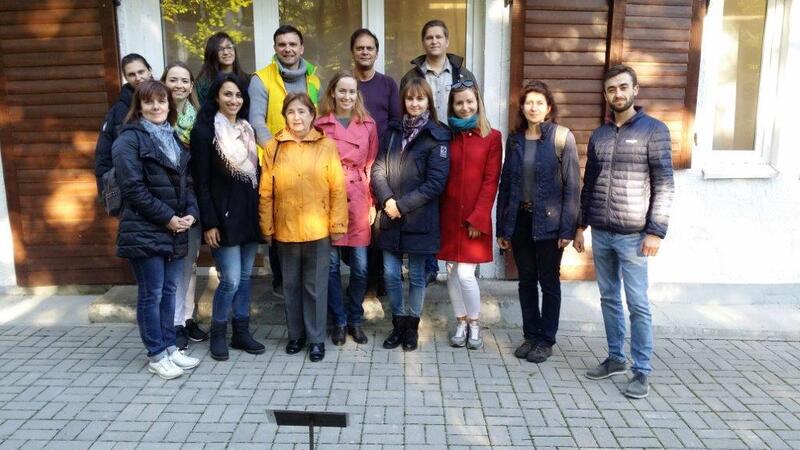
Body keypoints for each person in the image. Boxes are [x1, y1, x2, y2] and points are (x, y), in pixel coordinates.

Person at [574, 65, 674, 399]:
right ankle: (615, 358)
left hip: (634, 235)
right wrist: (580, 225)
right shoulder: (600, 135)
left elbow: (664, 184)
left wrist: (656, 231)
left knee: (638, 303)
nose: (617, 94)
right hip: (602, 232)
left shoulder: (654, 131)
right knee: (608, 298)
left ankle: (641, 370)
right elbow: (589, 184)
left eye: (622, 87)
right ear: (605, 95)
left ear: (635, 90)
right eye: (611, 89)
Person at [112, 80, 200, 379]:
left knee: (170, 291)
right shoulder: (128, 140)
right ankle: (156, 354)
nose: (156, 107)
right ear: (139, 106)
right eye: (149, 102)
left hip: (175, 228)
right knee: (152, 294)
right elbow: (133, 189)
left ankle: (170, 347)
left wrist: (190, 213)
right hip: (145, 229)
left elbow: (187, 183)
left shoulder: (173, 138)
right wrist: (167, 218)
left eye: (161, 101)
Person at [259, 93, 348, 362]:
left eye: (302, 111)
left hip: (318, 229)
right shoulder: (273, 147)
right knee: (291, 286)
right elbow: (266, 191)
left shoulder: (326, 145)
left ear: (312, 115)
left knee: (315, 287)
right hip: (285, 228)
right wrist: (267, 227)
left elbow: (337, 188)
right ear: (284, 116)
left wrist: (337, 224)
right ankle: (296, 335)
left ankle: (316, 339)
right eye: (291, 112)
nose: (296, 117)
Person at [496, 81, 580, 364]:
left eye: (539, 103)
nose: (533, 107)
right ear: (522, 107)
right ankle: (530, 335)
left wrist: (568, 228)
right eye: (529, 102)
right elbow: (506, 184)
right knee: (526, 281)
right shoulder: (515, 140)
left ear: (548, 108)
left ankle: (546, 339)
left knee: (549, 282)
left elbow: (572, 186)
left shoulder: (562, 137)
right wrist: (502, 227)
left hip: (550, 223)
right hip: (520, 220)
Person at [371, 78, 450, 352]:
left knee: (417, 276)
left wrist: (401, 206)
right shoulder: (393, 132)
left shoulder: (437, 136)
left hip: (419, 219)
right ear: (403, 101)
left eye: (420, 98)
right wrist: (387, 200)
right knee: (391, 275)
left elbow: (435, 183)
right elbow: (378, 169)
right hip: (390, 217)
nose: (414, 104)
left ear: (428, 101)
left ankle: (412, 328)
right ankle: (398, 324)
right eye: (410, 98)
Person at [191, 73, 266, 361]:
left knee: (245, 278)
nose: (234, 100)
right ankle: (218, 333)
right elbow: (201, 182)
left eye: (238, 95)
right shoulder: (205, 132)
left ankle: (241, 333)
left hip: (248, 214)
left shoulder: (247, 130)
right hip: (222, 219)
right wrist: (209, 222)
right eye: (227, 94)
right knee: (231, 279)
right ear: (216, 97)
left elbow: (256, 174)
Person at [400, 19, 477, 285]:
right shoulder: (412, 76)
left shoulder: (462, 74)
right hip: (424, 145)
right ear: (424, 42)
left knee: (452, 200)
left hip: (455, 143)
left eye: (438, 37)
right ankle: (430, 264)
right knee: (427, 202)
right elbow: (403, 111)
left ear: (447, 41)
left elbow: (473, 108)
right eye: (429, 37)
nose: (434, 41)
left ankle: (454, 260)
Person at [249, 24, 321, 296]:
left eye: (293, 44)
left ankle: (304, 281)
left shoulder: (314, 80)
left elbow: (316, 119)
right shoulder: (261, 79)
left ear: (301, 48)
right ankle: (280, 282)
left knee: (305, 218)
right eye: (282, 44)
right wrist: (276, 151)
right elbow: (257, 120)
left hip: (309, 162)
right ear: (275, 48)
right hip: (275, 161)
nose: (288, 49)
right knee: (278, 220)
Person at [315, 71, 379, 346]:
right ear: (332, 92)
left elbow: (372, 165)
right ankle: (339, 320)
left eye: (352, 91)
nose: (347, 96)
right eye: (342, 90)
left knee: (361, 268)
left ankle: (355, 318)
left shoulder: (368, 124)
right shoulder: (319, 124)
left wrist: (373, 202)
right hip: (329, 198)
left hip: (359, 197)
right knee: (330, 266)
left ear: (357, 95)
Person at [438, 81, 502, 350]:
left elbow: (491, 181)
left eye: (469, 101)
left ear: (478, 103)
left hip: (474, 219)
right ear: (452, 106)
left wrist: (479, 218)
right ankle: (460, 321)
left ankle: (474, 323)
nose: (465, 107)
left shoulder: (492, 137)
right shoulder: (446, 136)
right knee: (452, 272)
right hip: (449, 216)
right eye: (459, 103)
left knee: (465, 274)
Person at [350, 28, 402, 298]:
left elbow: (396, 123)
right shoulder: (347, 85)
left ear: (377, 52)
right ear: (352, 52)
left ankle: (379, 282)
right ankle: (362, 282)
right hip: (353, 168)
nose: (365, 52)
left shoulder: (388, 85)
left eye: (369, 48)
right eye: (360, 48)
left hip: (381, 165)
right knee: (358, 224)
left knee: (380, 226)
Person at [160, 62, 207, 349]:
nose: (179, 85)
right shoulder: (157, 119)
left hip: (192, 200)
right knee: (173, 266)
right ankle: (173, 323)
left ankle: (186, 318)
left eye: (184, 81)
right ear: (164, 83)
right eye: (173, 80)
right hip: (165, 203)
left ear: (191, 87)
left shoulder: (198, 120)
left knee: (190, 262)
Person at [95, 53, 153, 196]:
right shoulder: (120, 111)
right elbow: (104, 153)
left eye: (141, 72)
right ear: (126, 78)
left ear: (149, 71)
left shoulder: (165, 100)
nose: (138, 78)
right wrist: (106, 192)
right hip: (137, 187)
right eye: (132, 74)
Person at [195, 32, 249, 106]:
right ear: (212, 53)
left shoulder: (246, 79)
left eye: (229, 47)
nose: (226, 52)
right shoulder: (204, 83)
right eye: (220, 49)